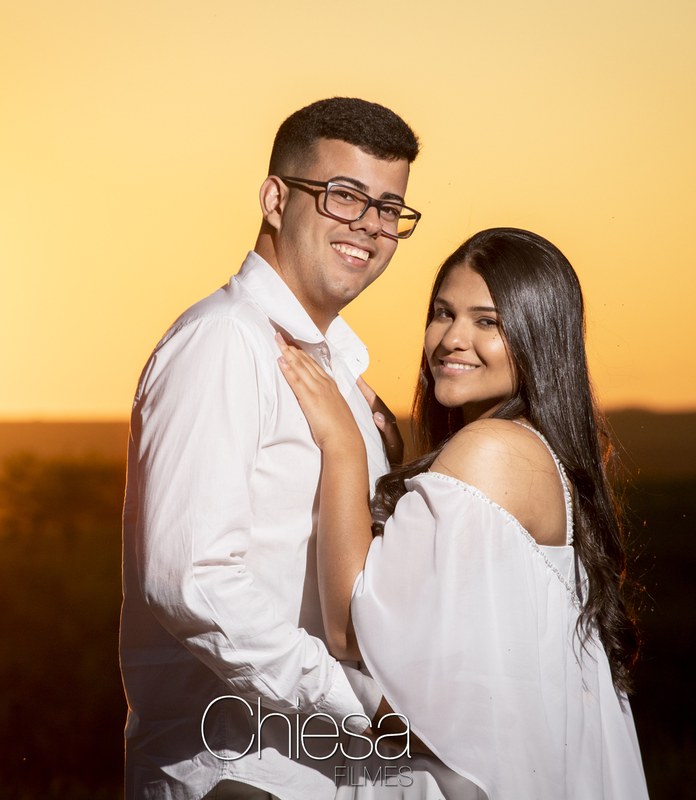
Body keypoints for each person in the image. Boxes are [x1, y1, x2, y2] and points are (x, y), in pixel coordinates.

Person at [276, 228, 650, 798]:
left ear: (539, 335)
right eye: (443, 313)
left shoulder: (491, 450)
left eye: (487, 322)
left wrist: (344, 443)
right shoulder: (532, 451)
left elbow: (349, 631)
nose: (452, 339)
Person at [120, 98, 421, 799]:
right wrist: (361, 710)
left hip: (326, 773)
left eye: (388, 208)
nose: (370, 225)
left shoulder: (339, 373)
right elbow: (192, 579)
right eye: (344, 195)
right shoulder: (225, 340)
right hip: (236, 772)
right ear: (275, 199)